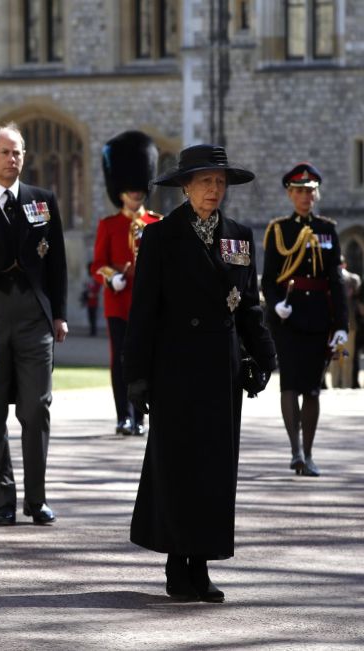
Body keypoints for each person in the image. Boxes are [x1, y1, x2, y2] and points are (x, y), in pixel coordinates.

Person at [124, 144, 275, 603]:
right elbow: (143, 312)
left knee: (215, 469)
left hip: (221, 368)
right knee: (177, 467)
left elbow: (249, 304)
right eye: (205, 182)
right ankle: (176, 562)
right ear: (186, 187)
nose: (214, 190)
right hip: (176, 369)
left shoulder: (239, 237)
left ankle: (202, 563)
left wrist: (264, 358)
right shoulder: (161, 237)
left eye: (220, 182)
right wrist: (138, 377)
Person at [0, 122, 67, 527]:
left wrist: (59, 313)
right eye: (6, 152)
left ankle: (36, 499)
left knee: (36, 408)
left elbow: (58, 262)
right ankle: (3, 500)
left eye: (19, 152)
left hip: (34, 316)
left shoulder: (42, 201)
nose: (13, 159)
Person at [261, 163, 348, 476]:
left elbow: (336, 282)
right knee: (289, 384)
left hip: (318, 318)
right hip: (288, 316)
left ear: (316, 194)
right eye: (299, 191)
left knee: (311, 388)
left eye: (310, 191)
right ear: (290, 193)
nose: (305, 197)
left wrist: (341, 326)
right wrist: (275, 305)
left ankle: (308, 453)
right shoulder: (279, 230)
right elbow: (269, 279)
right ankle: (295, 451)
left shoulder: (327, 229)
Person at [91, 131, 161, 436]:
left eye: (138, 189)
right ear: (120, 192)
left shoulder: (156, 224)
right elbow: (97, 264)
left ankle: (141, 416)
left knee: (145, 361)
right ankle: (124, 416)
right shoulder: (109, 225)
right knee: (120, 361)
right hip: (118, 303)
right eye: (130, 189)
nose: (135, 194)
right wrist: (113, 277)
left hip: (147, 303)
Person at [330, 256, 360, 388]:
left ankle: (343, 384)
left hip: (346, 324)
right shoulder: (331, 279)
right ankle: (339, 384)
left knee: (344, 356)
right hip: (337, 324)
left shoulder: (351, 279)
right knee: (339, 357)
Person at [81, 263, 101, 337]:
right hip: (89, 301)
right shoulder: (89, 278)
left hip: (94, 301)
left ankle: (94, 331)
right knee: (91, 317)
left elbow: (97, 288)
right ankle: (92, 331)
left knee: (93, 317)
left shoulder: (95, 278)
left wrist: (92, 293)